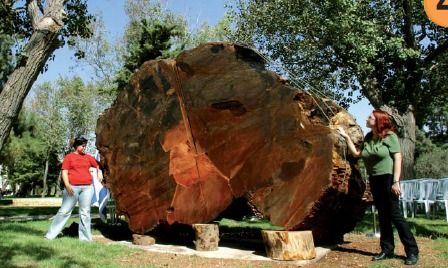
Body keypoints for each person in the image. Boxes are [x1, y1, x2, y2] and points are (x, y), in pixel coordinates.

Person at [338, 110, 419, 266]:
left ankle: (412, 251)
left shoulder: (390, 137)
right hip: (374, 180)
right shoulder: (368, 138)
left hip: (388, 179)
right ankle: (387, 249)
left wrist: (396, 181)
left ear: (379, 121)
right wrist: (346, 137)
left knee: (395, 215)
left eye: (370, 117)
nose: (367, 119)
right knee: (383, 216)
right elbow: (356, 154)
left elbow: (398, 159)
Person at [45, 137, 102, 241]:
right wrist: (67, 185)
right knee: (64, 211)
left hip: (87, 188)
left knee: (85, 212)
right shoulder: (69, 157)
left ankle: (85, 239)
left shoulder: (88, 157)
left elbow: (98, 165)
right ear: (76, 145)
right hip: (72, 188)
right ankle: (50, 236)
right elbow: (64, 171)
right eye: (83, 146)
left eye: (85, 146)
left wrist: (99, 172)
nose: (85, 148)